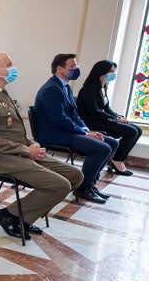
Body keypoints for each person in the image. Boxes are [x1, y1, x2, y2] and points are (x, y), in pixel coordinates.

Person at [0, 52, 85, 238]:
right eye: (9, 64)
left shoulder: (1, 93)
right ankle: (10, 215)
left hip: (19, 151)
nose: (13, 68)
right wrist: (25, 150)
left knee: (75, 175)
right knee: (60, 185)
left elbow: (15, 130)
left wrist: (32, 146)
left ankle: (23, 216)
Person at [34, 53, 118, 204]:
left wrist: (87, 130)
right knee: (102, 148)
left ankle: (90, 183)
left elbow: (74, 115)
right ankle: (83, 187)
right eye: (72, 66)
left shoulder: (65, 87)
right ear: (60, 69)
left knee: (112, 143)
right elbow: (60, 120)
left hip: (67, 130)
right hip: (55, 134)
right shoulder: (52, 89)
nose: (77, 68)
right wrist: (84, 133)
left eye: (76, 65)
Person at [76, 60, 141, 176]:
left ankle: (120, 159)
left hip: (102, 119)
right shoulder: (89, 88)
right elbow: (94, 111)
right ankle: (117, 160)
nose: (112, 74)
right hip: (92, 122)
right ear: (102, 71)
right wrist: (114, 119)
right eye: (110, 71)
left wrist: (118, 116)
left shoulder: (103, 86)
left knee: (137, 129)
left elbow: (106, 108)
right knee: (131, 131)